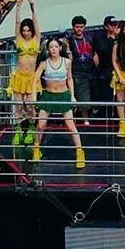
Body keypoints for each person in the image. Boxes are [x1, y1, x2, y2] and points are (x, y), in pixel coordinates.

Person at [33, 37, 86, 169]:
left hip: (63, 95)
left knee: (71, 126)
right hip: (48, 96)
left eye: (56, 47)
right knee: (40, 125)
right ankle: (36, 149)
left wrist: (72, 95)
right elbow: (34, 80)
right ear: (48, 49)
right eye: (51, 47)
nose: (54, 49)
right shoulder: (44, 63)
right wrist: (34, 97)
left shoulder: (67, 62)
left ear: (60, 48)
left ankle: (80, 153)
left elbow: (70, 78)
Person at [8, 0, 39, 148]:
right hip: (19, 77)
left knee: (31, 105)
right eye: (24, 30)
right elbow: (17, 22)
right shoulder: (19, 40)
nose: (26, 32)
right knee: (19, 105)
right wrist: (18, 7)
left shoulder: (36, 39)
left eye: (28, 30)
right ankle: (19, 130)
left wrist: (32, 6)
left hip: (31, 78)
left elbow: (35, 21)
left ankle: (32, 129)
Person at [64, 15, 98, 118]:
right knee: (83, 99)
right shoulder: (69, 40)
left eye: (81, 27)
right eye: (77, 27)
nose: (79, 29)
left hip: (92, 71)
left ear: (85, 27)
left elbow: (95, 53)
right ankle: (85, 120)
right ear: (73, 27)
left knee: (95, 96)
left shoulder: (90, 38)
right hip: (77, 73)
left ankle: (92, 115)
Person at [93, 15, 118, 122]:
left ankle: (117, 118)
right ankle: (103, 119)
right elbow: (103, 52)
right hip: (104, 71)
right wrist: (112, 38)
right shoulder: (100, 38)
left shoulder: (121, 37)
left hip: (118, 72)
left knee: (118, 97)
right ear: (106, 26)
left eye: (116, 24)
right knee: (104, 95)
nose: (115, 26)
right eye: (112, 25)